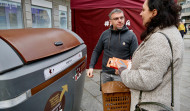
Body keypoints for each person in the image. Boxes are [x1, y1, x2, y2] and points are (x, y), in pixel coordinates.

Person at [116, 0, 184, 110]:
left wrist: (123, 71)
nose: (140, 13)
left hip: (150, 106)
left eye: (143, 10)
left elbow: (146, 80)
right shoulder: (170, 31)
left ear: (154, 12)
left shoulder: (160, 38)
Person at [87, 8, 138, 85]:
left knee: (121, 97)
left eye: (121, 17)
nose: (120, 20)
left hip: (122, 75)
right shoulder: (105, 34)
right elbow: (97, 51)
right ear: (110, 21)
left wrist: (127, 68)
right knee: (107, 96)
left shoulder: (131, 36)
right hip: (105, 73)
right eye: (116, 19)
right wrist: (91, 67)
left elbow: (136, 57)